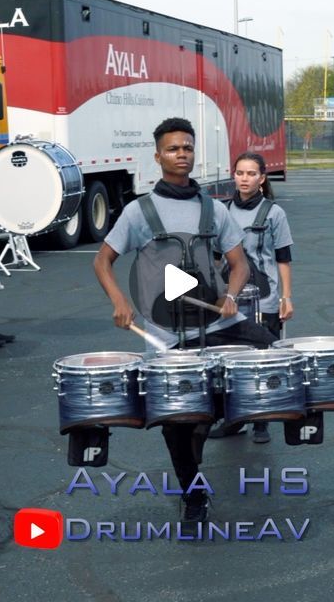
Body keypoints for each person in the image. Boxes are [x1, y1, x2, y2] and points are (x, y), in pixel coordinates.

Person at [94, 119, 275, 532]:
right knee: (177, 424)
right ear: (158, 156)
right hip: (164, 333)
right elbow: (102, 260)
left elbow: (239, 263)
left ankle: (223, 416)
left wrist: (231, 296)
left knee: (269, 345)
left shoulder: (214, 208)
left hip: (217, 322)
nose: (183, 154)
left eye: (188, 148)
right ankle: (193, 495)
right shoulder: (138, 212)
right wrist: (120, 301)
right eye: (174, 148)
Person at [209, 151, 294, 443]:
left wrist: (287, 297)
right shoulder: (221, 211)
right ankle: (234, 420)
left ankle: (261, 421)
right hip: (232, 300)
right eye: (240, 173)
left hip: (266, 300)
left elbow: (283, 258)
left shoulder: (274, 213)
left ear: (261, 178)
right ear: (234, 175)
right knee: (228, 361)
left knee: (262, 362)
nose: (244, 179)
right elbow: (217, 258)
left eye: (250, 174)